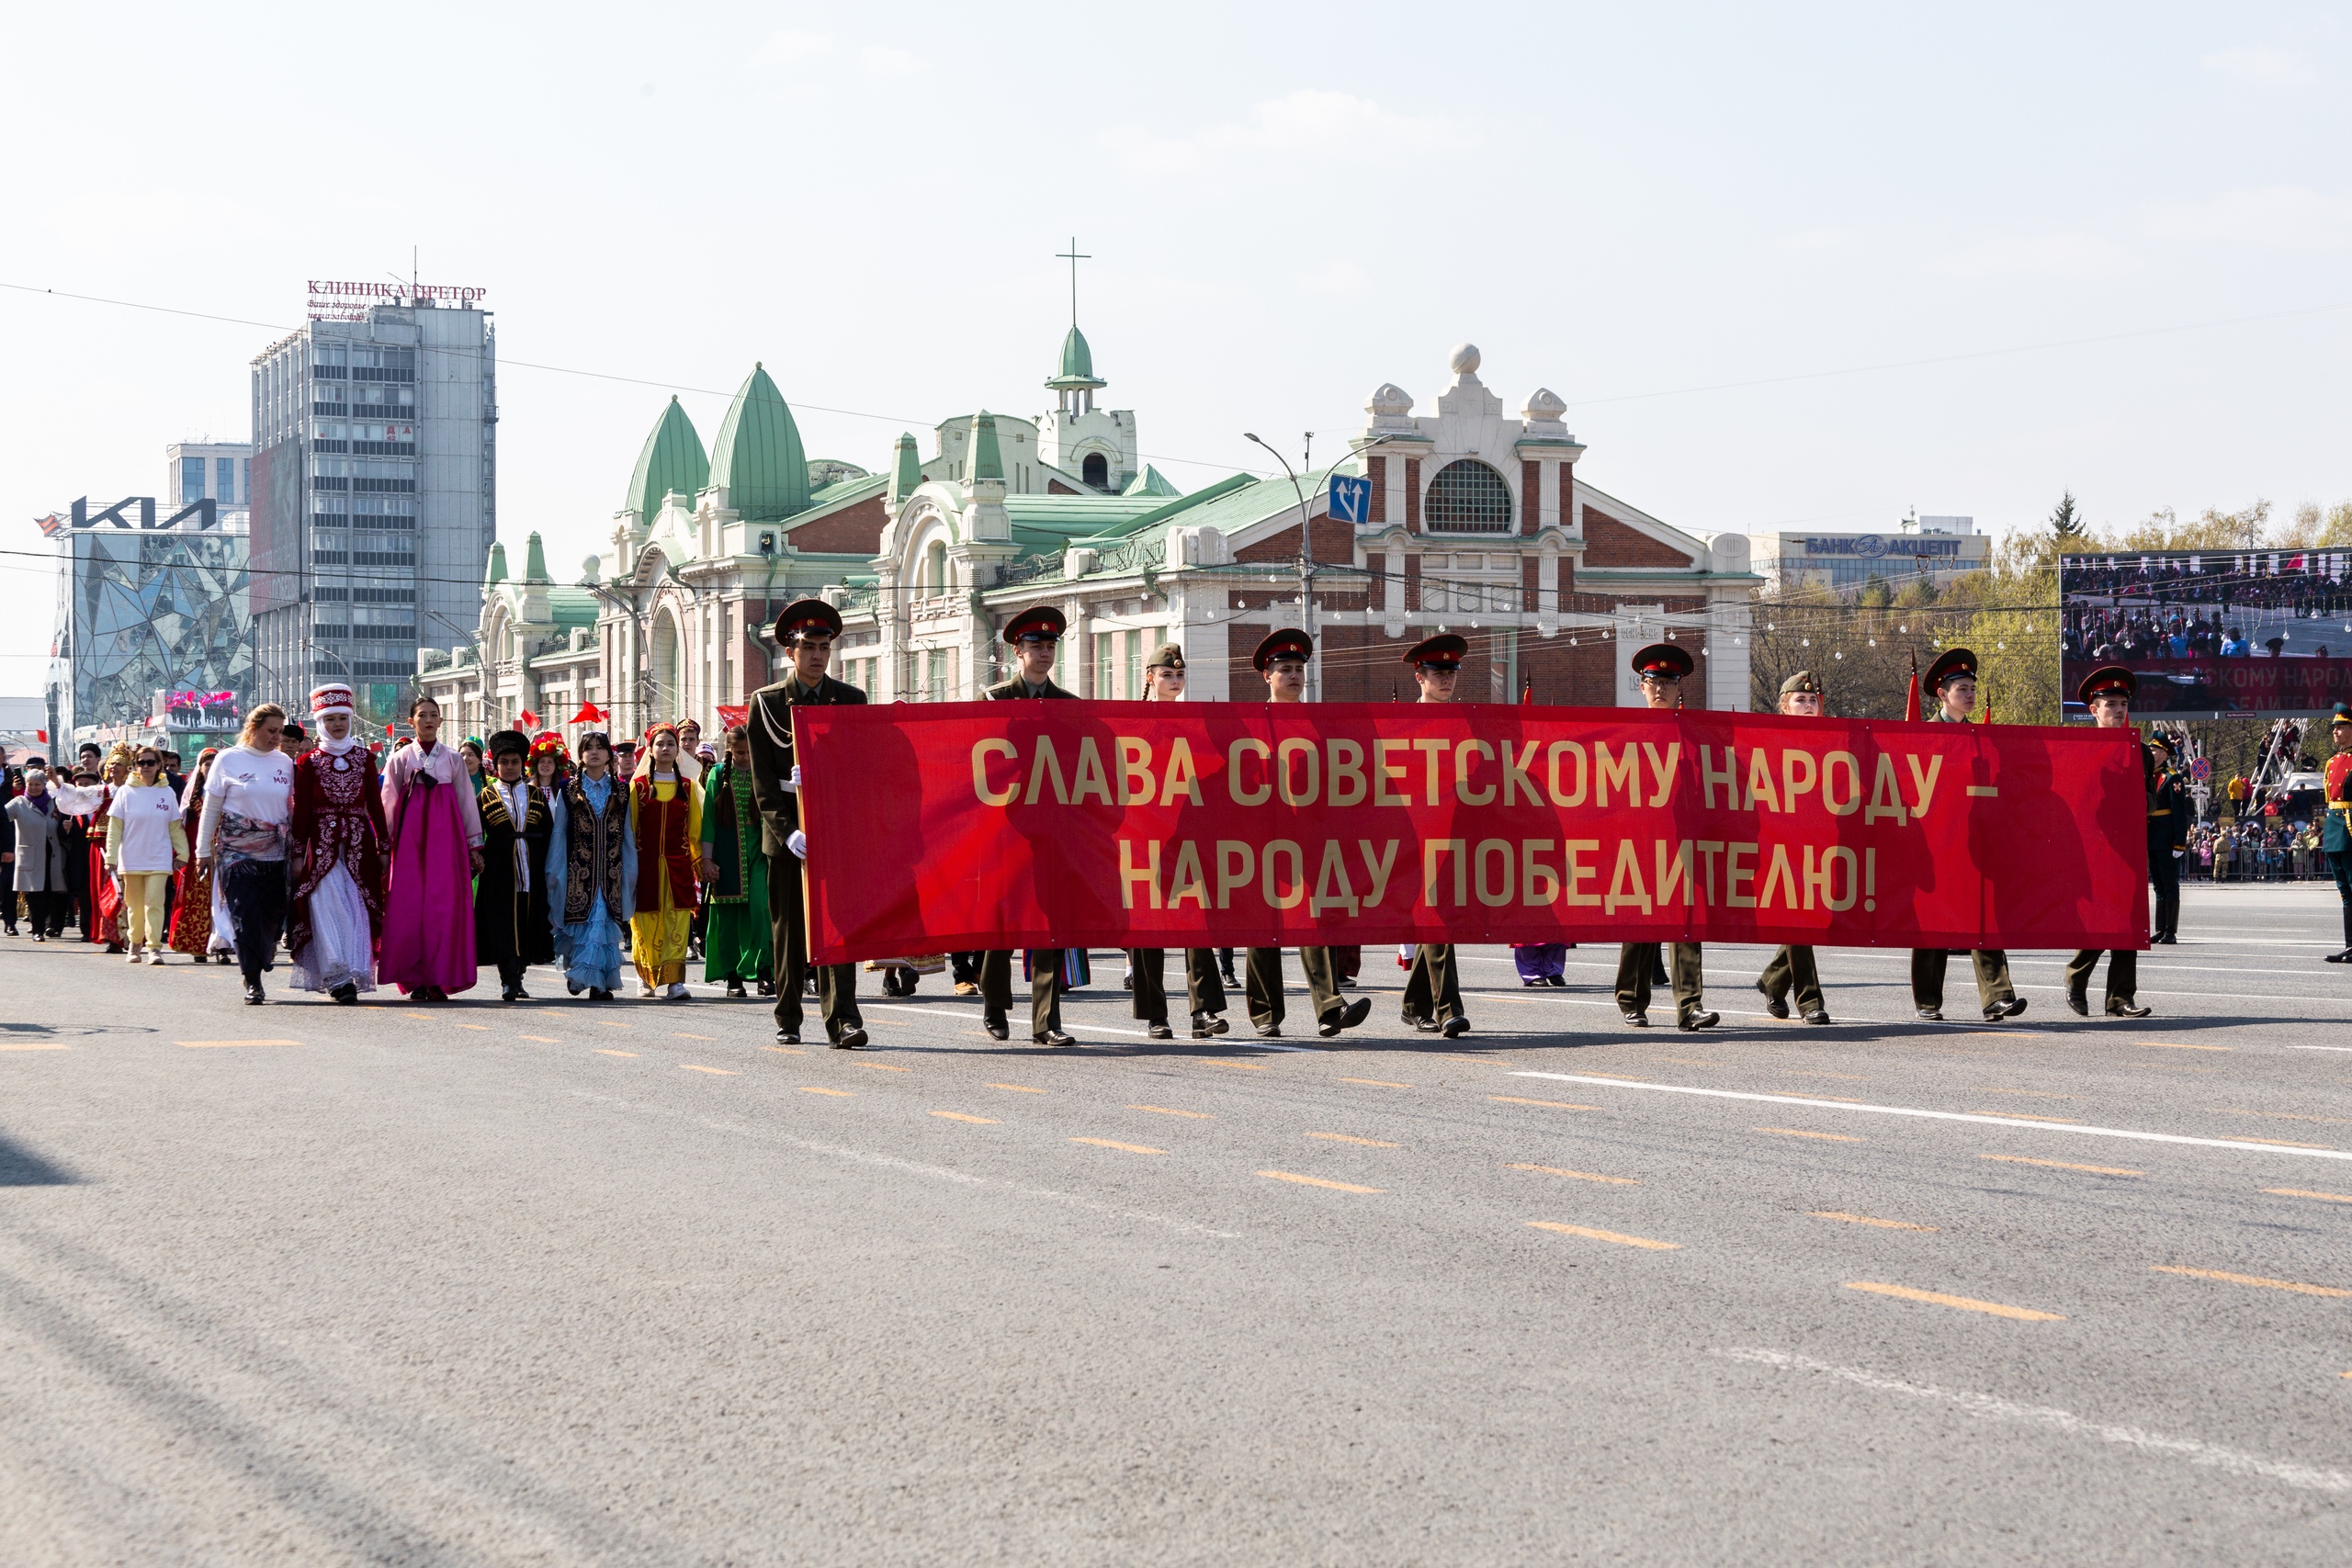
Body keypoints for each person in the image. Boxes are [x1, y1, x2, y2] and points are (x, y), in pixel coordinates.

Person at [747, 599, 869, 1047]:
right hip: (787, 835)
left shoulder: (851, 700)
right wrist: (788, 829)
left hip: (835, 830)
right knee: (789, 931)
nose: (817, 655)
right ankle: (788, 1015)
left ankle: (844, 1020)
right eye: (809, 647)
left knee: (840, 927)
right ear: (790, 652)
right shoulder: (768, 703)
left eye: (824, 647)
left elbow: (862, 769)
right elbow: (762, 782)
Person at [1241, 628, 1374, 1041]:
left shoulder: (1321, 724)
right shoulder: (1247, 724)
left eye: (1300, 669)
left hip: (1309, 837)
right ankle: (1265, 1014)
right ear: (1268, 676)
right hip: (1261, 837)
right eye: (1286, 669)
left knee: (1313, 920)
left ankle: (1329, 1008)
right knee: (1262, 925)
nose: (1295, 676)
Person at [976, 605, 1084, 1046]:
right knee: (1002, 923)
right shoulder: (994, 701)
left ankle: (1047, 1020)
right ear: (1017, 652)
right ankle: (995, 1005)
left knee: (1048, 925)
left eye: (1050, 645)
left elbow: (1082, 770)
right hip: (1004, 829)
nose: (1044, 652)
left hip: (1052, 832)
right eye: (1035, 646)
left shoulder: (1070, 707)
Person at [1910, 648, 2027, 1023]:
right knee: (1935, 920)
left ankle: (1997, 995)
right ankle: (1928, 999)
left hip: (1976, 842)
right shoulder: (1924, 734)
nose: (1970, 694)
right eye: (1962, 688)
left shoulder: (1983, 737)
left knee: (1984, 915)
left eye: (1972, 687)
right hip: (1936, 841)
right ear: (1942, 695)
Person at [1124, 641, 1231, 1041]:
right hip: (1145, 835)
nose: (1174, 681)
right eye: (1167, 674)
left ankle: (1203, 1012)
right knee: (1149, 928)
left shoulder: (1196, 721)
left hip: (1188, 835)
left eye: (1179, 675)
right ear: (1150, 678)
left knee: (1195, 924)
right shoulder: (1133, 721)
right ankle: (1156, 1015)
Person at [1615, 643, 1718, 1030]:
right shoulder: (1626, 733)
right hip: (1640, 840)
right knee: (1641, 923)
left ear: (1679, 688)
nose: (1660, 688)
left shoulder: (1696, 734)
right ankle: (1631, 997)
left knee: (1685, 922)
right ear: (1641, 687)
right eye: (1653, 681)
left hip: (1685, 841)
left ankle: (1689, 1005)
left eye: (1668, 682)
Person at [2062, 667, 2157, 1017]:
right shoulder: (2080, 748)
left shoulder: (2142, 752)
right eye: (2110, 704)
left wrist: (2141, 800)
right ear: (2094, 710)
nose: (2118, 710)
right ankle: (2076, 974)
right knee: (2104, 917)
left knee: (2130, 920)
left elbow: (2150, 796)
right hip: (2094, 846)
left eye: (2122, 704)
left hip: (2128, 844)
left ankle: (2120, 997)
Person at [288, 685, 390, 1004]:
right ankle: (336, 975)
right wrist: (296, 854)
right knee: (325, 906)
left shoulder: (365, 759)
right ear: (320, 722)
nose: (337, 725)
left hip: (360, 845)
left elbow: (376, 805)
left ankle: (354, 970)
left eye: (342, 718)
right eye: (330, 719)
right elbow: (302, 811)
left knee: (356, 907)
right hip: (321, 847)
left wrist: (384, 848)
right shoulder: (308, 763)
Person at [380, 694, 485, 1001]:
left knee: (442, 909)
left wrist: (473, 846)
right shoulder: (400, 759)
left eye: (433, 715)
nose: (428, 720)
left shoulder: (453, 759)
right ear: (410, 722)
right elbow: (388, 802)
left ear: (441, 721)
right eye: (422, 715)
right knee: (410, 908)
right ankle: (415, 978)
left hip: (446, 843)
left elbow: (467, 803)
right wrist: (384, 847)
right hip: (410, 844)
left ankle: (440, 978)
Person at [1398, 634, 1474, 1038]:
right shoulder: (1402, 724)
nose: (1447, 680)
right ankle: (1448, 1010)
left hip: (1454, 837)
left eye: (1451, 673)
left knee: (1439, 920)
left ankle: (1414, 1004)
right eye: (1438, 673)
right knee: (1437, 919)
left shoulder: (1467, 723)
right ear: (1419, 677)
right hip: (1414, 837)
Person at [197, 705, 298, 1004]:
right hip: (235, 851)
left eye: (280, 732)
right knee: (244, 914)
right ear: (253, 728)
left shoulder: (285, 763)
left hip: (276, 851)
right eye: (271, 731)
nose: (277, 737)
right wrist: (203, 851)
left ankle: (261, 952)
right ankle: (252, 978)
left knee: (272, 914)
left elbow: (291, 808)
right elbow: (212, 808)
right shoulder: (228, 759)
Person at [1756, 670, 1835, 1025]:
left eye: (1812, 700)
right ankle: (1810, 1000)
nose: (1807, 705)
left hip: (1823, 842)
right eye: (1800, 700)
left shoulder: (1833, 742)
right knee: (1800, 917)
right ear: (1785, 708)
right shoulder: (1771, 741)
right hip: (1783, 841)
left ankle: (1774, 979)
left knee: (1813, 919)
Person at [545, 729, 634, 1000]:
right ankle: (582, 974)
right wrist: (556, 869)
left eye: (600, 747)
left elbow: (627, 832)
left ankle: (599, 983)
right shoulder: (569, 790)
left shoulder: (621, 790)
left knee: (603, 923)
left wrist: (630, 870)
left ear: (609, 755)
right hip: (578, 870)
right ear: (581, 755)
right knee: (582, 923)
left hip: (611, 870)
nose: (594, 752)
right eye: (588, 747)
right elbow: (559, 831)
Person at [476, 728, 555, 1001]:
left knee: (527, 920)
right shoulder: (485, 797)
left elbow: (549, 832)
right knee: (502, 923)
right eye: (504, 763)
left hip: (532, 867)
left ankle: (519, 975)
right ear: (496, 765)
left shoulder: (535, 795)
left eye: (514, 762)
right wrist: (476, 859)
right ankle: (507, 979)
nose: (509, 768)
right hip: (498, 870)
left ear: (522, 764)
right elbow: (475, 834)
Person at [628, 722, 703, 999]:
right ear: (650, 750)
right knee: (644, 921)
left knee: (677, 922)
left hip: (677, 867)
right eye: (660, 744)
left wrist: (700, 862)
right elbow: (629, 830)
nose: (666, 748)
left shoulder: (687, 786)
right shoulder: (638, 788)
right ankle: (644, 977)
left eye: (671, 744)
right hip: (644, 866)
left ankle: (674, 983)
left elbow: (695, 830)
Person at [699, 724, 774, 998]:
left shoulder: (763, 773)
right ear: (730, 750)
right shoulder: (718, 774)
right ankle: (732, 977)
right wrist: (707, 859)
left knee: (760, 912)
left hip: (759, 855)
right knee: (728, 918)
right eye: (739, 752)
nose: (744, 757)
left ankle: (764, 972)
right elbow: (708, 820)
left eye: (749, 752)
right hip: (726, 856)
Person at [103, 743, 190, 964]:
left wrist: (183, 854)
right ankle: (134, 943)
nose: (146, 767)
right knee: (134, 905)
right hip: (131, 858)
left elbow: (175, 827)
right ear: (135, 765)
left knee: (154, 902)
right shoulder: (125, 792)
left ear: (159, 765)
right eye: (141, 763)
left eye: (151, 762)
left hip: (159, 858)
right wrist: (111, 858)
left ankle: (154, 948)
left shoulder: (168, 792)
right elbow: (115, 829)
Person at [5, 761, 74, 941]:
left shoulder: (54, 803)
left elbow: (63, 822)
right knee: (35, 896)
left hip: (53, 855)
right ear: (25, 785)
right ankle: (38, 930)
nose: (34, 788)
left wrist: (66, 828)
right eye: (30, 784)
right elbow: (2, 818)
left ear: (44, 785)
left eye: (38, 784)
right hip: (30, 856)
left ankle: (54, 926)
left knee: (55, 893)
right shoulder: (18, 803)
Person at [2143, 731, 2188, 942]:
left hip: (2167, 838)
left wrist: (2179, 842)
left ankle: (2171, 931)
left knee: (2170, 884)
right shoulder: (2146, 774)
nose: (2150, 752)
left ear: (2163, 753)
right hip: (2151, 838)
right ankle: (2160, 929)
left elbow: (2179, 813)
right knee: (2158, 885)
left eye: (2154, 750)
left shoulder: (2173, 778)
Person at [2323, 704, 2352, 963]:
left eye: (2341, 727)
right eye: (2334, 727)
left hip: (2351, 829)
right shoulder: (2332, 762)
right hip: (2335, 830)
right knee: (2345, 891)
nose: (2336, 731)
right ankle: (2350, 945)